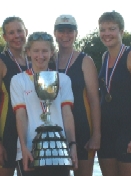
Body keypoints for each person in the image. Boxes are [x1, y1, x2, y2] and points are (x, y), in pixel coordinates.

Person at [10, 32, 78, 176]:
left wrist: (72, 145)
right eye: (36, 51)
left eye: (45, 51)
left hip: (59, 150)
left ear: (52, 52)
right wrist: (23, 147)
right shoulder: (18, 80)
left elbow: (67, 114)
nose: (40, 56)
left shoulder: (63, 79)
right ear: (28, 52)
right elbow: (20, 116)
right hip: (30, 150)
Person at [97, 11, 131, 176]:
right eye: (103, 29)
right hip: (107, 134)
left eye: (111, 29)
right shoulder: (105, 57)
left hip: (129, 132)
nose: (107, 34)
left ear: (122, 31)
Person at [52, 15, 101, 176]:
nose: (65, 35)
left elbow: (94, 100)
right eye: (61, 31)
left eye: (69, 31)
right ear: (55, 33)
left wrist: (96, 134)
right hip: (55, 129)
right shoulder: (48, 60)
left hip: (82, 128)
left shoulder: (85, 61)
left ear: (76, 33)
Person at [0, 16, 29, 176]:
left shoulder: (36, 59)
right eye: (11, 33)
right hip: (7, 131)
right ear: (5, 37)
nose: (17, 36)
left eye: (19, 31)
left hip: (30, 131)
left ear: (26, 32)